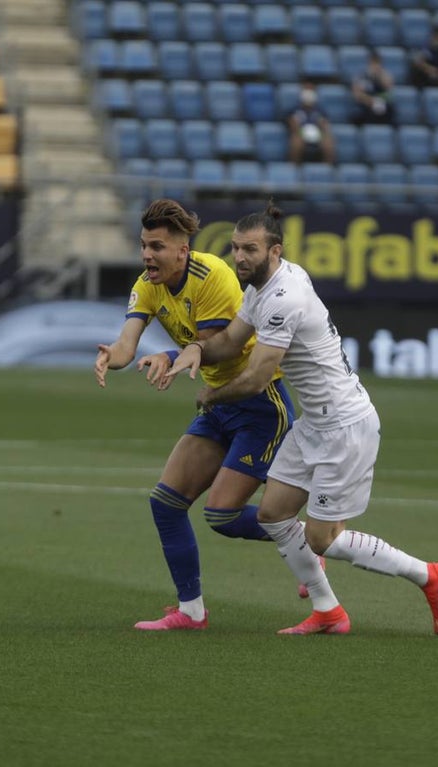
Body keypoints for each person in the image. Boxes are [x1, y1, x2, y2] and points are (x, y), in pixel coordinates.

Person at [163, 202, 438, 636]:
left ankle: (430, 575)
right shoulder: (263, 286)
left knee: (324, 538)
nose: (240, 258)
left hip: (345, 425)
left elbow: (259, 376)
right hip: (314, 426)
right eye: (235, 248)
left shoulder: (284, 298)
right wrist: (193, 349)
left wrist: (212, 395)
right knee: (273, 515)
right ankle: (328, 612)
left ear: (275, 251)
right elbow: (229, 340)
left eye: (250, 249)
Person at [94, 198, 297, 631]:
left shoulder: (213, 278)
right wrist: (114, 355)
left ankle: (307, 542)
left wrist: (170, 354)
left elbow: (212, 347)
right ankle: (191, 611)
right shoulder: (148, 283)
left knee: (222, 516)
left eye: (157, 247)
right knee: (166, 503)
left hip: (259, 403)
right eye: (144, 246)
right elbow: (129, 345)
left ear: (183, 251)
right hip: (217, 402)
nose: (147, 255)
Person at [286, 81, 336, 164]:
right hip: (301, 133)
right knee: (296, 141)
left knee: (328, 141)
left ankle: (327, 168)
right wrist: (296, 127)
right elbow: (291, 122)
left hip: (317, 133)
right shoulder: (295, 110)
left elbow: (325, 124)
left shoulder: (320, 111)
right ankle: (294, 166)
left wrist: (323, 128)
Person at [351, 49, 395, 125]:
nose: (375, 66)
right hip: (367, 105)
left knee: (388, 109)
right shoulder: (361, 76)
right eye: (373, 63)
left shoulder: (385, 75)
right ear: (369, 63)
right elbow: (357, 95)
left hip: (383, 104)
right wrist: (371, 101)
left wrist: (379, 75)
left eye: (378, 63)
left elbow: (389, 90)